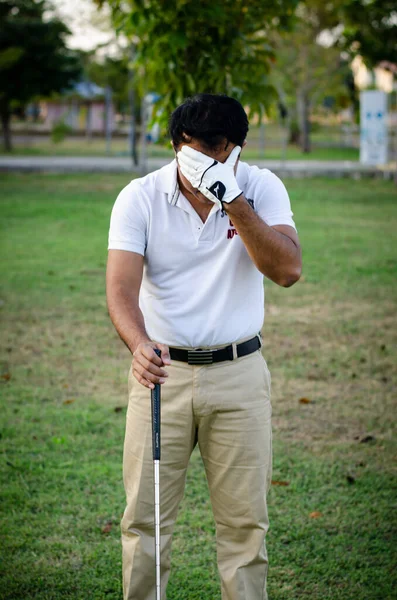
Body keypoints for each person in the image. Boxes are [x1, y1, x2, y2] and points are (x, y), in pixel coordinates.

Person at [106, 93, 302, 600]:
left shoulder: (261, 186)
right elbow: (121, 288)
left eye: (221, 152)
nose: (207, 165)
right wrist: (138, 342)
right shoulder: (140, 196)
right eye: (198, 154)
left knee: (245, 528)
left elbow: (287, 271)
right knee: (145, 522)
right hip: (162, 374)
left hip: (239, 373)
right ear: (177, 147)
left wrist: (232, 196)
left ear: (235, 149)